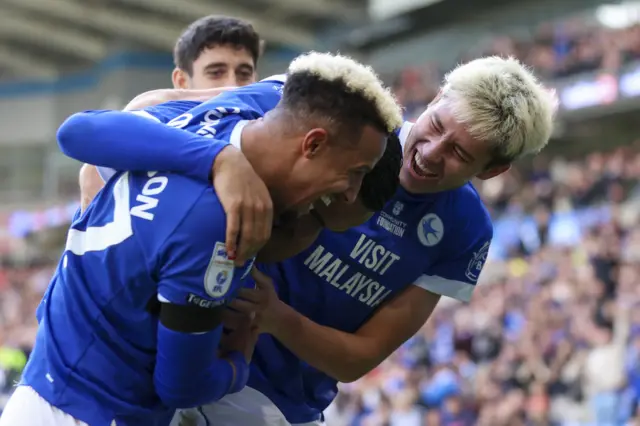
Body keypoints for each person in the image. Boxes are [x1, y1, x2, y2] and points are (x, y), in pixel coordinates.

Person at [80, 55, 558, 426]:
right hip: (178, 346)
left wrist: (274, 317)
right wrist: (219, 161)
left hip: (273, 404)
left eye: (458, 153)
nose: (429, 154)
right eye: (436, 128)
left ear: (493, 170)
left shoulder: (465, 230)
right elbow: (147, 111)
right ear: (433, 101)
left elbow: (360, 358)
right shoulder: (345, 114)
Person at [0, 52, 403, 426]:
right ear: (312, 143)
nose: (351, 191)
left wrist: (215, 157)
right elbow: (182, 386)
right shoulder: (221, 226)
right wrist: (239, 363)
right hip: (91, 413)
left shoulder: (218, 122)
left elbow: (77, 130)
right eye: (354, 172)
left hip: (44, 388)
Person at [80, 15, 264, 266]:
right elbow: (88, 161)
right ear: (181, 81)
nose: (233, 85)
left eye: (244, 74)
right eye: (216, 72)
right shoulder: (148, 129)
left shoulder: (267, 139)